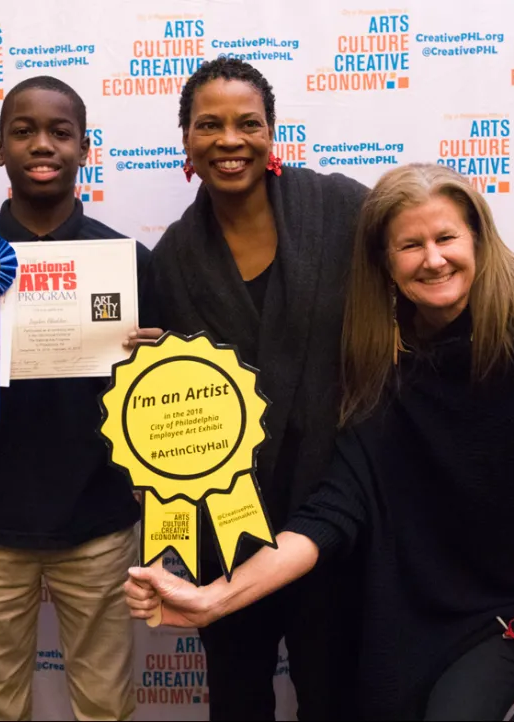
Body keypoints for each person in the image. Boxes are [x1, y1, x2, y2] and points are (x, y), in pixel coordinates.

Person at [125, 163, 514, 720]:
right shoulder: (384, 365)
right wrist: (212, 599)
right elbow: (330, 513)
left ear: (479, 239)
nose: (434, 258)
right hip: (499, 595)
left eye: (446, 238)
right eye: (410, 245)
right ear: (384, 264)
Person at [127, 57, 370, 721]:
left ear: (271, 133)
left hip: (336, 503)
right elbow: (174, 403)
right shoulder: (172, 258)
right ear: (186, 140)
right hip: (229, 522)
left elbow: (427, 256)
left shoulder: (339, 206)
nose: (229, 140)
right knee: (237, 697)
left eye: (247, 124)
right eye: (209, 124)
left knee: (336, 693)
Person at [0, 76, 152, 722]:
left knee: (107, 708)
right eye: (24, 130)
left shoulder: (126, 263)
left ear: (84, 148)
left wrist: (156, 364)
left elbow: (158, 415)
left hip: (99, 525)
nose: (43, 145)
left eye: (60, 132)